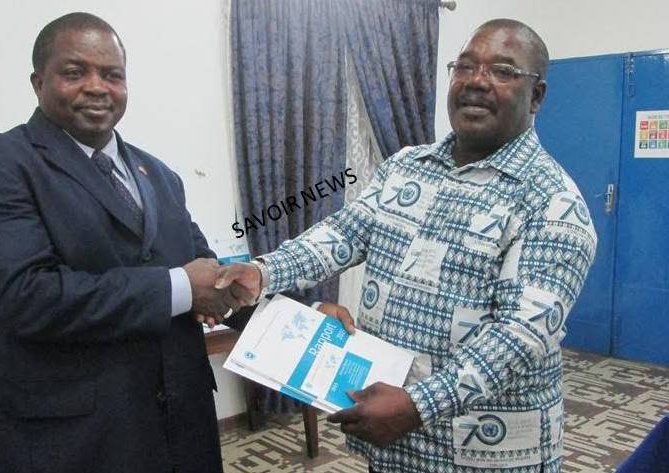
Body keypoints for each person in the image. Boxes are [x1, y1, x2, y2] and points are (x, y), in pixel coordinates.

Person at [217, 19, 597, 473]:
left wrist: (417, 405)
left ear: (536, 96)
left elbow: (518, 338)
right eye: (465, 66)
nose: (476, 81)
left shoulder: (552, 202)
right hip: (393, 442)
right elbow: (343, 233)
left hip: (485, 457)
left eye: (502, 71)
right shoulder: (407, 167)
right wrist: (263, 272)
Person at [0, 12, 237, 473]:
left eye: (112, 75)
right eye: (75, 72)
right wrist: (179, 288)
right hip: (73, 443)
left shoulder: (160, 175)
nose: (97, 87)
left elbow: (211, 275)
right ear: (38, 82)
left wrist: (305, 318)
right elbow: (22, 297)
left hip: (182, 432)